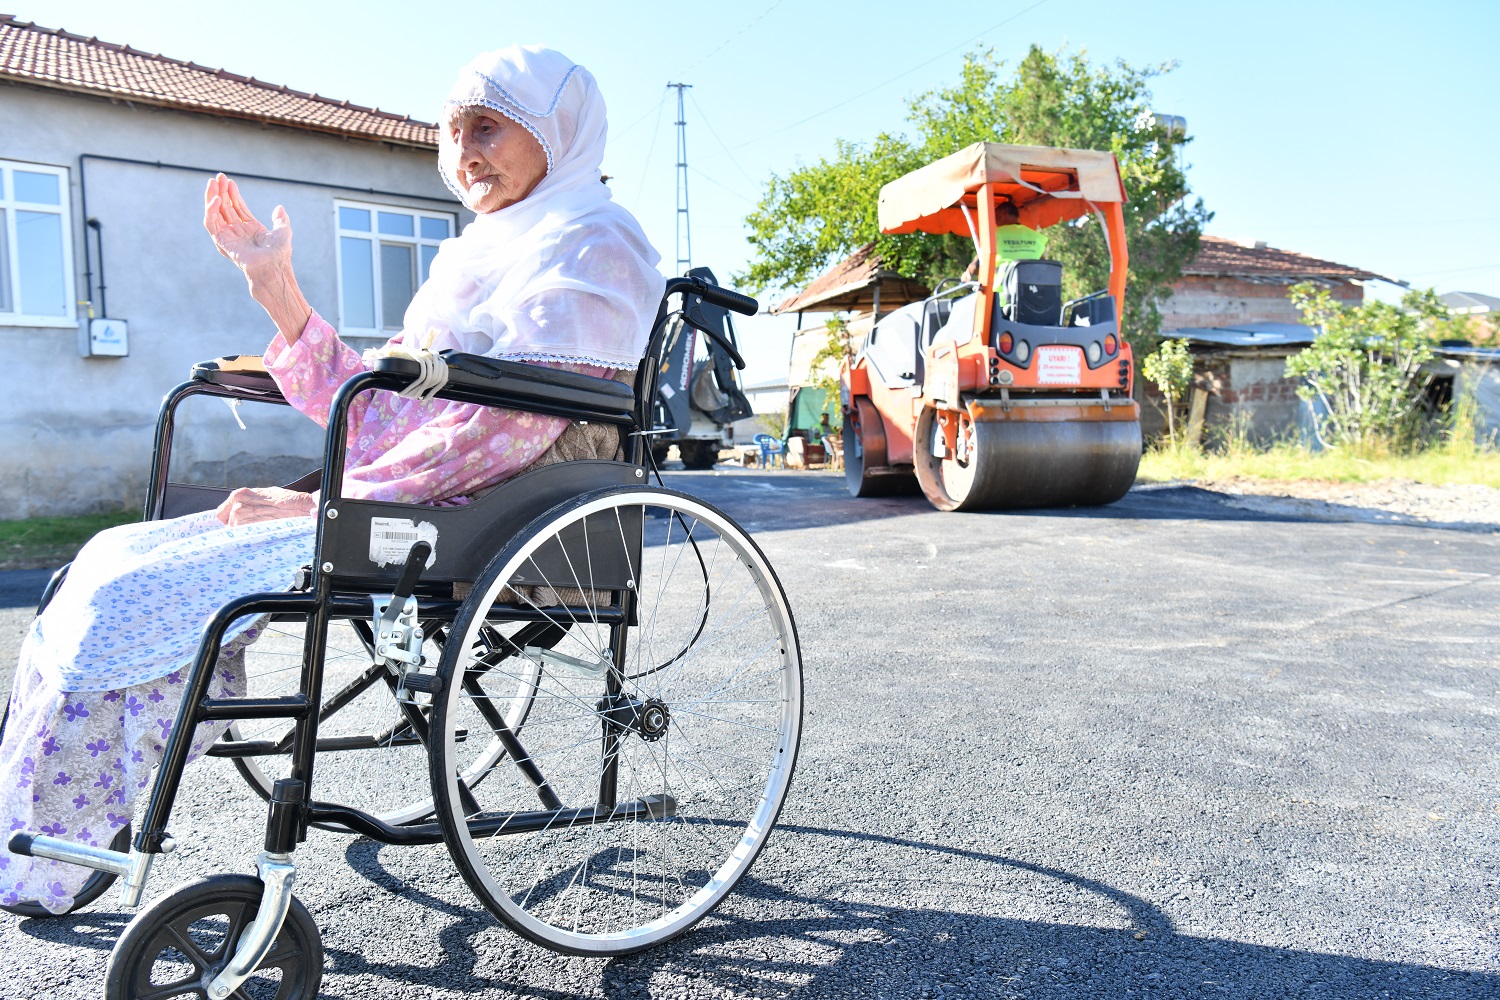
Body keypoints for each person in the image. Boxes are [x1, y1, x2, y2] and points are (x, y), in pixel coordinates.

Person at [0, 44, 664, 915]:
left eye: (489, 126)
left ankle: (73, 835)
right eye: (454, 129)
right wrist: (272, 281)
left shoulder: (594, 241)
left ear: (559, 132)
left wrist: (322, 503)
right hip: (419, 498)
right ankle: (44, 830)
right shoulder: (479, 255)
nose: (463, 149)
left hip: (473, 511)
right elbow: (385, 410)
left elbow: (506, 428)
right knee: (110, 558)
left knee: (147, 592)